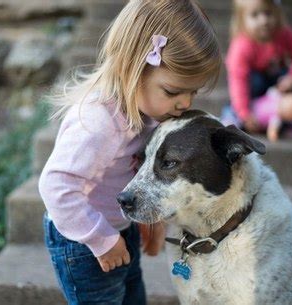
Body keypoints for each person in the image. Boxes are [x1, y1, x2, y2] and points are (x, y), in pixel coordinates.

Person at [38, 0, 221, 304]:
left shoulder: (150, 112)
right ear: (133, 69)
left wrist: (149, 221)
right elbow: (56, 187)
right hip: (83, 241)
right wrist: (102, 240)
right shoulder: (99, 124)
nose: (186, 103)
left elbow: (138, 173)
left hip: (119, 228)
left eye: (194, 92)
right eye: (173, 91)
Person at [224, 0, 292, 141]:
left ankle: (289, 121)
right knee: (255, 81)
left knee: (290, 80)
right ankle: (234, 115)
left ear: (277, 14)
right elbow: (237, 80)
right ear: (242, 20)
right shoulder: (241, 45)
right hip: (252, 91)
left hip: (277, 86)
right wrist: (244, 112)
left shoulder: (283, 33)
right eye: (255, 15)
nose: (264, 20)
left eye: (268, 13)